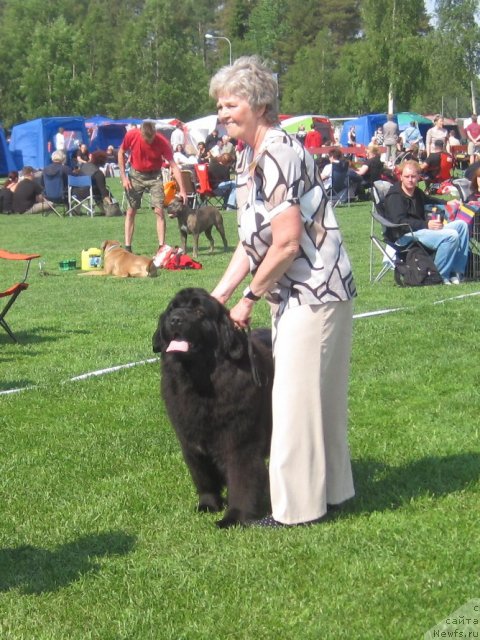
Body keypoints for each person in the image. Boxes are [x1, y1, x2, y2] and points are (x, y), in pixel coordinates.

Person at [209, 56, 356, 527]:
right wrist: (218, 296)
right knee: (317, 399)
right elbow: (253, 241)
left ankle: (297, 511)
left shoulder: (279, 152)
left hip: (314, 289)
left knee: (294, 403)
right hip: (301, 291)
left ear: (259, 103)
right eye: (219, 106)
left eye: (230, 104)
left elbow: (288, 241)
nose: (222, 114)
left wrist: (248, 298)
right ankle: (333, 493)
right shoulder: (250, 156)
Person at [384, 160, 469, 285]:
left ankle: (456, 272)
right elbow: (399, 222)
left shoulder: (416, 192)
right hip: (404, 235)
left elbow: (429, 199)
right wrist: (426, 225)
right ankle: (440, 275)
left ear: (419, 177)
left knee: (462, 226)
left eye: (413, 176)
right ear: (401, 177)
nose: (410, 180)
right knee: (451, 236)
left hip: (420, 230)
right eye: (407, 176)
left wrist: (446, 203)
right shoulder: (395, 196)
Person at [118, 120, 187, 252]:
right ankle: (128, 247)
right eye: (146, 139)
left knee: (159, 210)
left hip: (155, 175)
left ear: (155, 133)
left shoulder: (162, 142)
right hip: (136, 174)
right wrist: (123, 177)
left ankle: (161, 247)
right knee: (131, 211)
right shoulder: (132, 135)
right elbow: (121, 152)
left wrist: (182, 190)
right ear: (141, 133)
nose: (149, 141)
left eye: (151, 138)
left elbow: (174, 166)